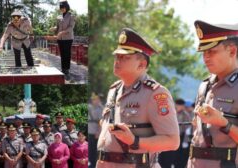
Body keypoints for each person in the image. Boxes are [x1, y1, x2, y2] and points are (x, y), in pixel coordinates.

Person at [96, 28, 180, 168]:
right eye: (117, 56)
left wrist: (135, 141)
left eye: (125, 57)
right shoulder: (114, 90)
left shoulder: (155, 93)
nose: (117, 60)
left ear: (142, 64)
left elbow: (172, 141)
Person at [187, 20, 238, 168]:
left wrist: (224, 123)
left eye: (211, 51)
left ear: (232, 51)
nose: (205, 57)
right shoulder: (205, 86)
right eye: (203, 52)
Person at [48, 0, 75, 79]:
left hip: (68, 38)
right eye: (61, 8)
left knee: (67, 54)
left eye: (63, 7)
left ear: (66, 7)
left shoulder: (71, 16)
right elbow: (58, 27)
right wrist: (54, 28)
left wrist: (62, 32)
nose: (62, 9)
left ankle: (67, 70)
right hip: (60, 38)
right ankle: (63, 69)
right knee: (62, 54)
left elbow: (71, 27)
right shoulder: (58, 17)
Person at [88, 93, 103, 168]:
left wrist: (99, 132)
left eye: (96, 99)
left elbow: (101, 121)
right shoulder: (89, 107)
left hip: (95, 132)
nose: (95, 100)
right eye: (93, 99)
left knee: (96, 150)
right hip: (89, 132)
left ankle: (95, 165)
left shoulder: (100, 108)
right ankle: (92, 164)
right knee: (90, 150)